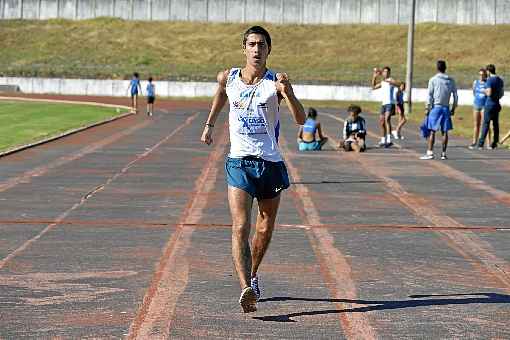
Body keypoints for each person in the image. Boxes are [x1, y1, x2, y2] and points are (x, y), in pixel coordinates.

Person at [200, 26, 305, 313]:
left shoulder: (276, 82)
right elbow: (221, 93)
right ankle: (246, 286)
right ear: (244, 48)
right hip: (239, 162)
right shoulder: (229, 77)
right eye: (252, 44)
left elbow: (300, 119)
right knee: (240, 226)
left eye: (262, 45)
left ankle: (254, 273)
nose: (257, 50)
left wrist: (289, 92)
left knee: (264, 228)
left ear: (269, 50)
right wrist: (210, 123)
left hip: (269, 162)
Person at [420, 60, 458, 160]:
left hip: (436, 107)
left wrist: (427, 107)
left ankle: (430, 152)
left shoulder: (433, 79)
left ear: (437, 68)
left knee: (432, 131)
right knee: (445, 131)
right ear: (445, 68)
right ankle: (443, 153)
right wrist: (453, 107)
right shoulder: (450, 80)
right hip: (446, 107)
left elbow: (430, 95)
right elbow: (455, 96)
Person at [371, 66, 401, 147]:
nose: (386, 73)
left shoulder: (390, 79)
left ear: (389, 73)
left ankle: (389, 140)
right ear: (383, 73)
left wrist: (392, 83)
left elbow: (399, 84)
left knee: (387, 119)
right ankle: (383, 139)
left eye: (387, 72)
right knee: (381, 122)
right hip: (383, 104)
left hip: (390, 103)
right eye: (384, 72)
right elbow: (373, 87)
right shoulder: (382, 82)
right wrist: (374, 77)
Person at [477, 64, 504, 150]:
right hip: (497, 103)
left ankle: (480, 144)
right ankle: (494, 143)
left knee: (486, 124)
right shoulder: (500, 80)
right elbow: (502, 93)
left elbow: (489, 93)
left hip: (489, 104)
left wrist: (483, 90)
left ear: (488, 71)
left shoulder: (490, 80)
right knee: (495, 124)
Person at [469, 68, 489, 149]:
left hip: (484, 106)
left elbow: (489, 93)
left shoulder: (487, 83)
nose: (481, 76)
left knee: (485, 124)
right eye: (480, 75)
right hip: (477, 105)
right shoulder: (475, 82)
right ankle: (474, 142)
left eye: (482, 75)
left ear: (485, 75)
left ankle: (488, 143)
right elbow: (474, 92)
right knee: (476, 124)